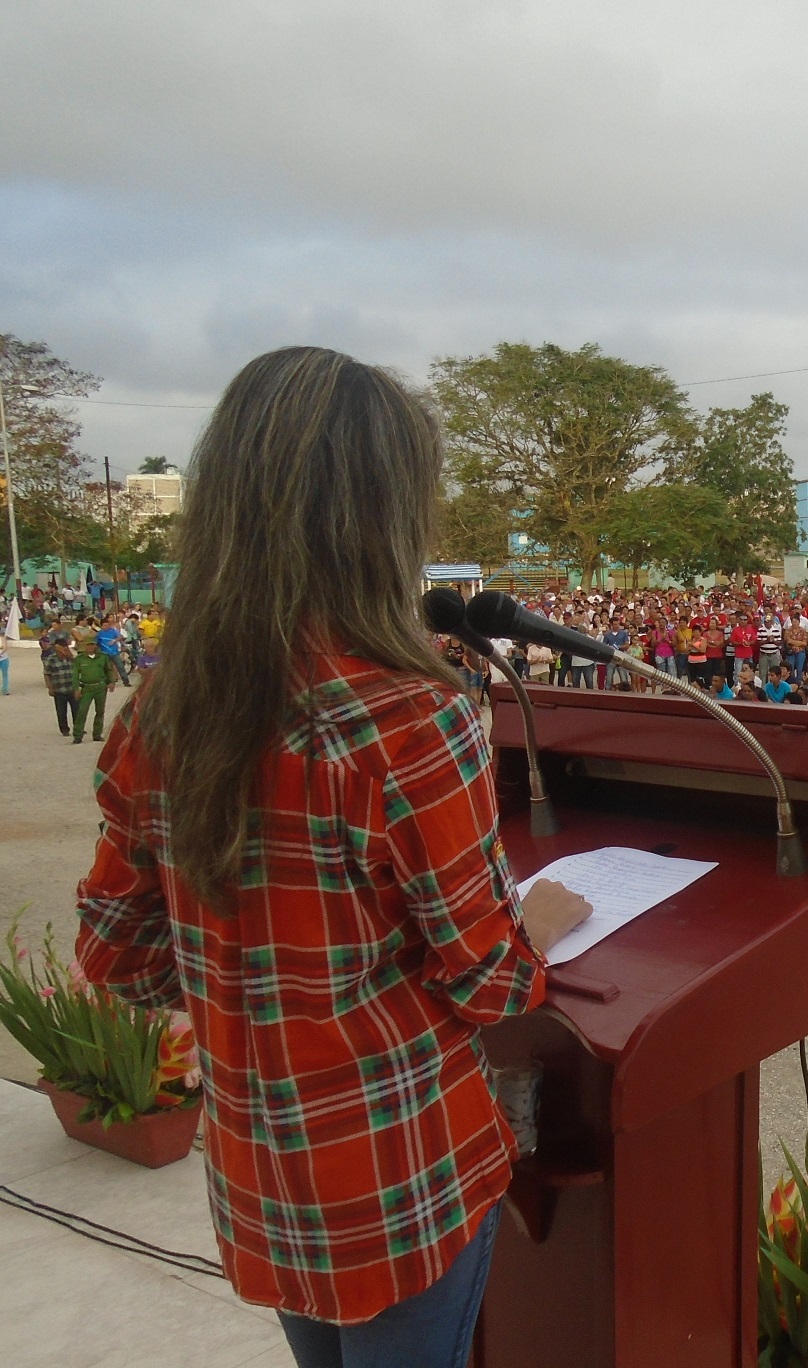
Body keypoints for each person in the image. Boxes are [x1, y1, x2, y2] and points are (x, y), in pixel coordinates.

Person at [73, 347, 592, 1367]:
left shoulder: (160, 713)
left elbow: (119, 961)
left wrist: (245, 956)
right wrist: (537, 921)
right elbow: (490, 982)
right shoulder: (409, 714)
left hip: (265, 1184)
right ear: (386, 514)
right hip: (403, 1178)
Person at [69, 634, 116, 743]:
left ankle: (97, 734)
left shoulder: (103, 657)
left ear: (96, 646)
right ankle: (78, 735)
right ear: (84, 646)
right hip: (86, 688)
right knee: (82, 711)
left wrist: (111, 682)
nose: (90, 647)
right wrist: (76, 689)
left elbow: (108, 670)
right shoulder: (79, 659)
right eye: (88, 645)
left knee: (100, 711)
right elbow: (75, 675)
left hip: (100, 687)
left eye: (92, 645)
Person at [40, 617, 77, 734]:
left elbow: (77, 668)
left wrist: (68, 654)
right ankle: (64, 729)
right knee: (61, 711)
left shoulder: (70, 658)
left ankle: (78, 727)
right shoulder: (51, 659)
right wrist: (50, 687)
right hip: (59, 688)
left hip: (72, 687)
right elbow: (47, 673)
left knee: (76, 709)